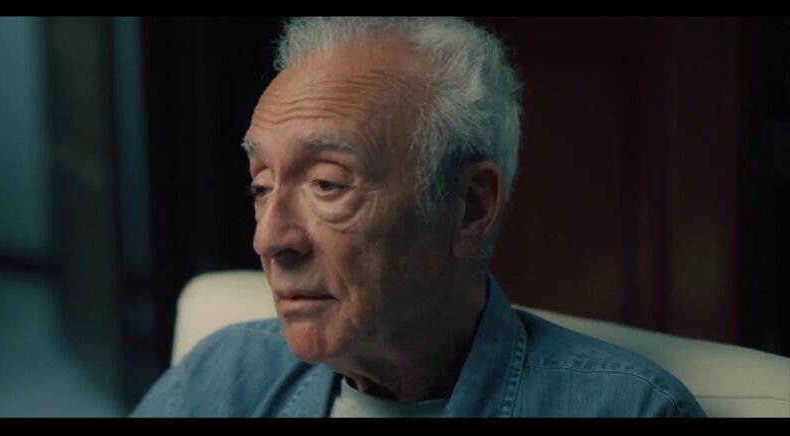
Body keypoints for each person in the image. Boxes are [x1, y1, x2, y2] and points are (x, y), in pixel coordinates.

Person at [132, 17, 706, 417]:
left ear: (469, 207)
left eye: (328, 183)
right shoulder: (220, 377)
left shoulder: (630, 409)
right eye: (262, 186)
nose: (268, 238)